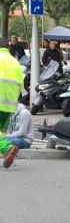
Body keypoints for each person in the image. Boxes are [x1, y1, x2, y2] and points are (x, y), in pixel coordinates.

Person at [0, 38, 25, 168]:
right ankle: (5, 152)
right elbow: (21, 84)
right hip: (10, 105)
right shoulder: (15, 62)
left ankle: (7, 149)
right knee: (1, 132)